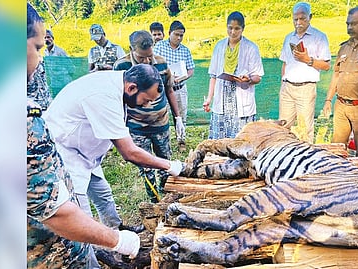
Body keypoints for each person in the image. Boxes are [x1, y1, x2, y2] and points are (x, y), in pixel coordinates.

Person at [27, 4, 140, 268]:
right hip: (45, 255)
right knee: (80, 212)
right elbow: (57, 213)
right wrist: (117, 240)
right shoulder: (20, 122)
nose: (41, 58)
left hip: (83, 155)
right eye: (37, 48)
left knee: (102, 194)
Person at [43, 63, 183, 230]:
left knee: (103, 195)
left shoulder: (119, 84)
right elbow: (129, 153)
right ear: (132, 88)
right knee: (81, 212)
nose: (146, 105)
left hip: (84, 151)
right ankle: (92, 251)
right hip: (65, 151)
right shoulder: (103, 95)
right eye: (146, 100)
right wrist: (169, 165)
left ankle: (115, 230)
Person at [113, 30, 183, 202]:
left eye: (149, 56)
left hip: (160, 123)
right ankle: (154, 200)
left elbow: (169, 89)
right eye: (141, 57)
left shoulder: (160, 63)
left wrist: (178, 117)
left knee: (165, 161)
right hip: (137, 127)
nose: (146, 61)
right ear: (131, 49)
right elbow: (118, 99)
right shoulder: (121, 67)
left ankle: (167, 195)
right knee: (146, 165)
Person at [322, 6, 358, 162]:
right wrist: (328, 100)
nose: (349, 28)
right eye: (347, 24)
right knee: (336, 149)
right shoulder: (344, 47)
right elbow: (337, 74)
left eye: (354, 24)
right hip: (341, 106)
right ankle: (338, 181)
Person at [202, 11, 264, 139]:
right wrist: (209, 99)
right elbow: (213, 76)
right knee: (219, 143)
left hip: (241, 101)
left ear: (243, 28)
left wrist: (249, 80)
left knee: (242, 142)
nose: (233, 32)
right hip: (222, 101)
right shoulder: (219, 47)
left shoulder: (251, 48)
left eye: (237, 28)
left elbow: (258, 76)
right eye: (230, 28)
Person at [278, 2, 331, 143]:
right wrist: (283, 83)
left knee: (306, 130)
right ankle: (284, 159)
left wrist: (308, 59)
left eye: (302, 18)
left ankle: (306, 160)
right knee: (283, 128)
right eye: (295, 19)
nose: (298, 22)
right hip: (287, 88)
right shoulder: (289, 37)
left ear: (310, 17)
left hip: (306, 88)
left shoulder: (319, 37)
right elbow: (285, 63)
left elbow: (326, 65)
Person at [154, 20, 195, 152]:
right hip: (163, 88)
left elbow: (191, 70)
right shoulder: (160, 46)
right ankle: (163, 142)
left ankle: (181, 140)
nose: (179, 38)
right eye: (176, 34)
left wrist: (184, 77)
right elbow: (152, 64)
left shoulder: (185, 50)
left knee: (181, 115)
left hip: (179, 87)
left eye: (181, 35)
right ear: (169, 33)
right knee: (161, 115)